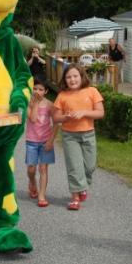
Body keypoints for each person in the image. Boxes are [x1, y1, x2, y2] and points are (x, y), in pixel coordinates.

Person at [52, 64, 104, 211]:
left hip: (88, 134)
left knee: (90, 166)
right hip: (70, 136)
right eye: (68, 77)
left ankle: (82, 186)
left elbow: (100, 113)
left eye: (75, 76)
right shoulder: (62, 95)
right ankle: (75, 198)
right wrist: (65, 117)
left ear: (82, 77)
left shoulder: (92, 91)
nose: (72, 79)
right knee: (74, 167)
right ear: (65, 79)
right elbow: (55, 117)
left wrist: (84, 113)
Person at [25, 77, 58, 207]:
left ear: (46, 91)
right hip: (31, 141)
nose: (37, 91)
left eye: (40, 89)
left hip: (45, 141)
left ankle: (42, 195)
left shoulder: (50, 105)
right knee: (31, 169)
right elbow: (33, 119)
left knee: (43, 168)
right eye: (35, 88)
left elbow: (56, 124)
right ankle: (32, 182)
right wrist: (36, 104)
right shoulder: (28, 103)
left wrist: (51, 141)